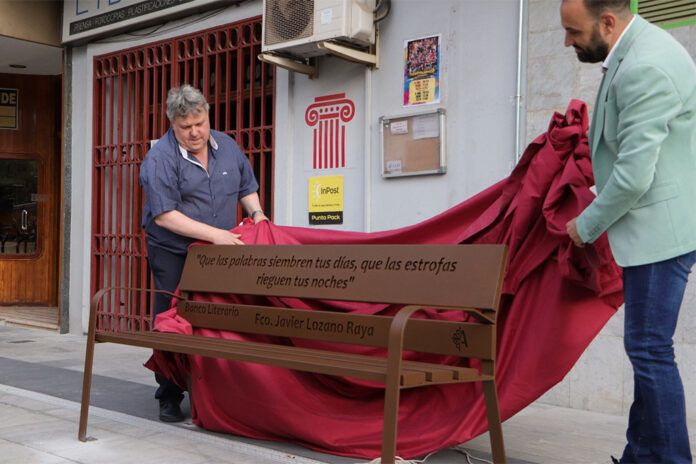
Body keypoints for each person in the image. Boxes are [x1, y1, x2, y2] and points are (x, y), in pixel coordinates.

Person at [560, 1, 696, 462]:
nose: (568, 41)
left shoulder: (645, 65)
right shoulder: (634, 51)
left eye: (573, 31)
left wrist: (587, 225)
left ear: (608, 21)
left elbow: (636, 175)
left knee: (649, 349)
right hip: (656, 226)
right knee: (647, 349)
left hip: (661, 231)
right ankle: (641, 455)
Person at [139, 84, 268, 422]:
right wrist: (216, 235)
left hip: (218, 251)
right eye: (186, 127)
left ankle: (213, 389)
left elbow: (246, 188)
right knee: (172, 318)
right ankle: (168, 391)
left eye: (200, 123)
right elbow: (165, 214)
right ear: (172, 123)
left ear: (208, 117)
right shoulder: (160, 158)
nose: (194, 132)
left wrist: (257, 215)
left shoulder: (226, 145)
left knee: (217, 316)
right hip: (174, 250)